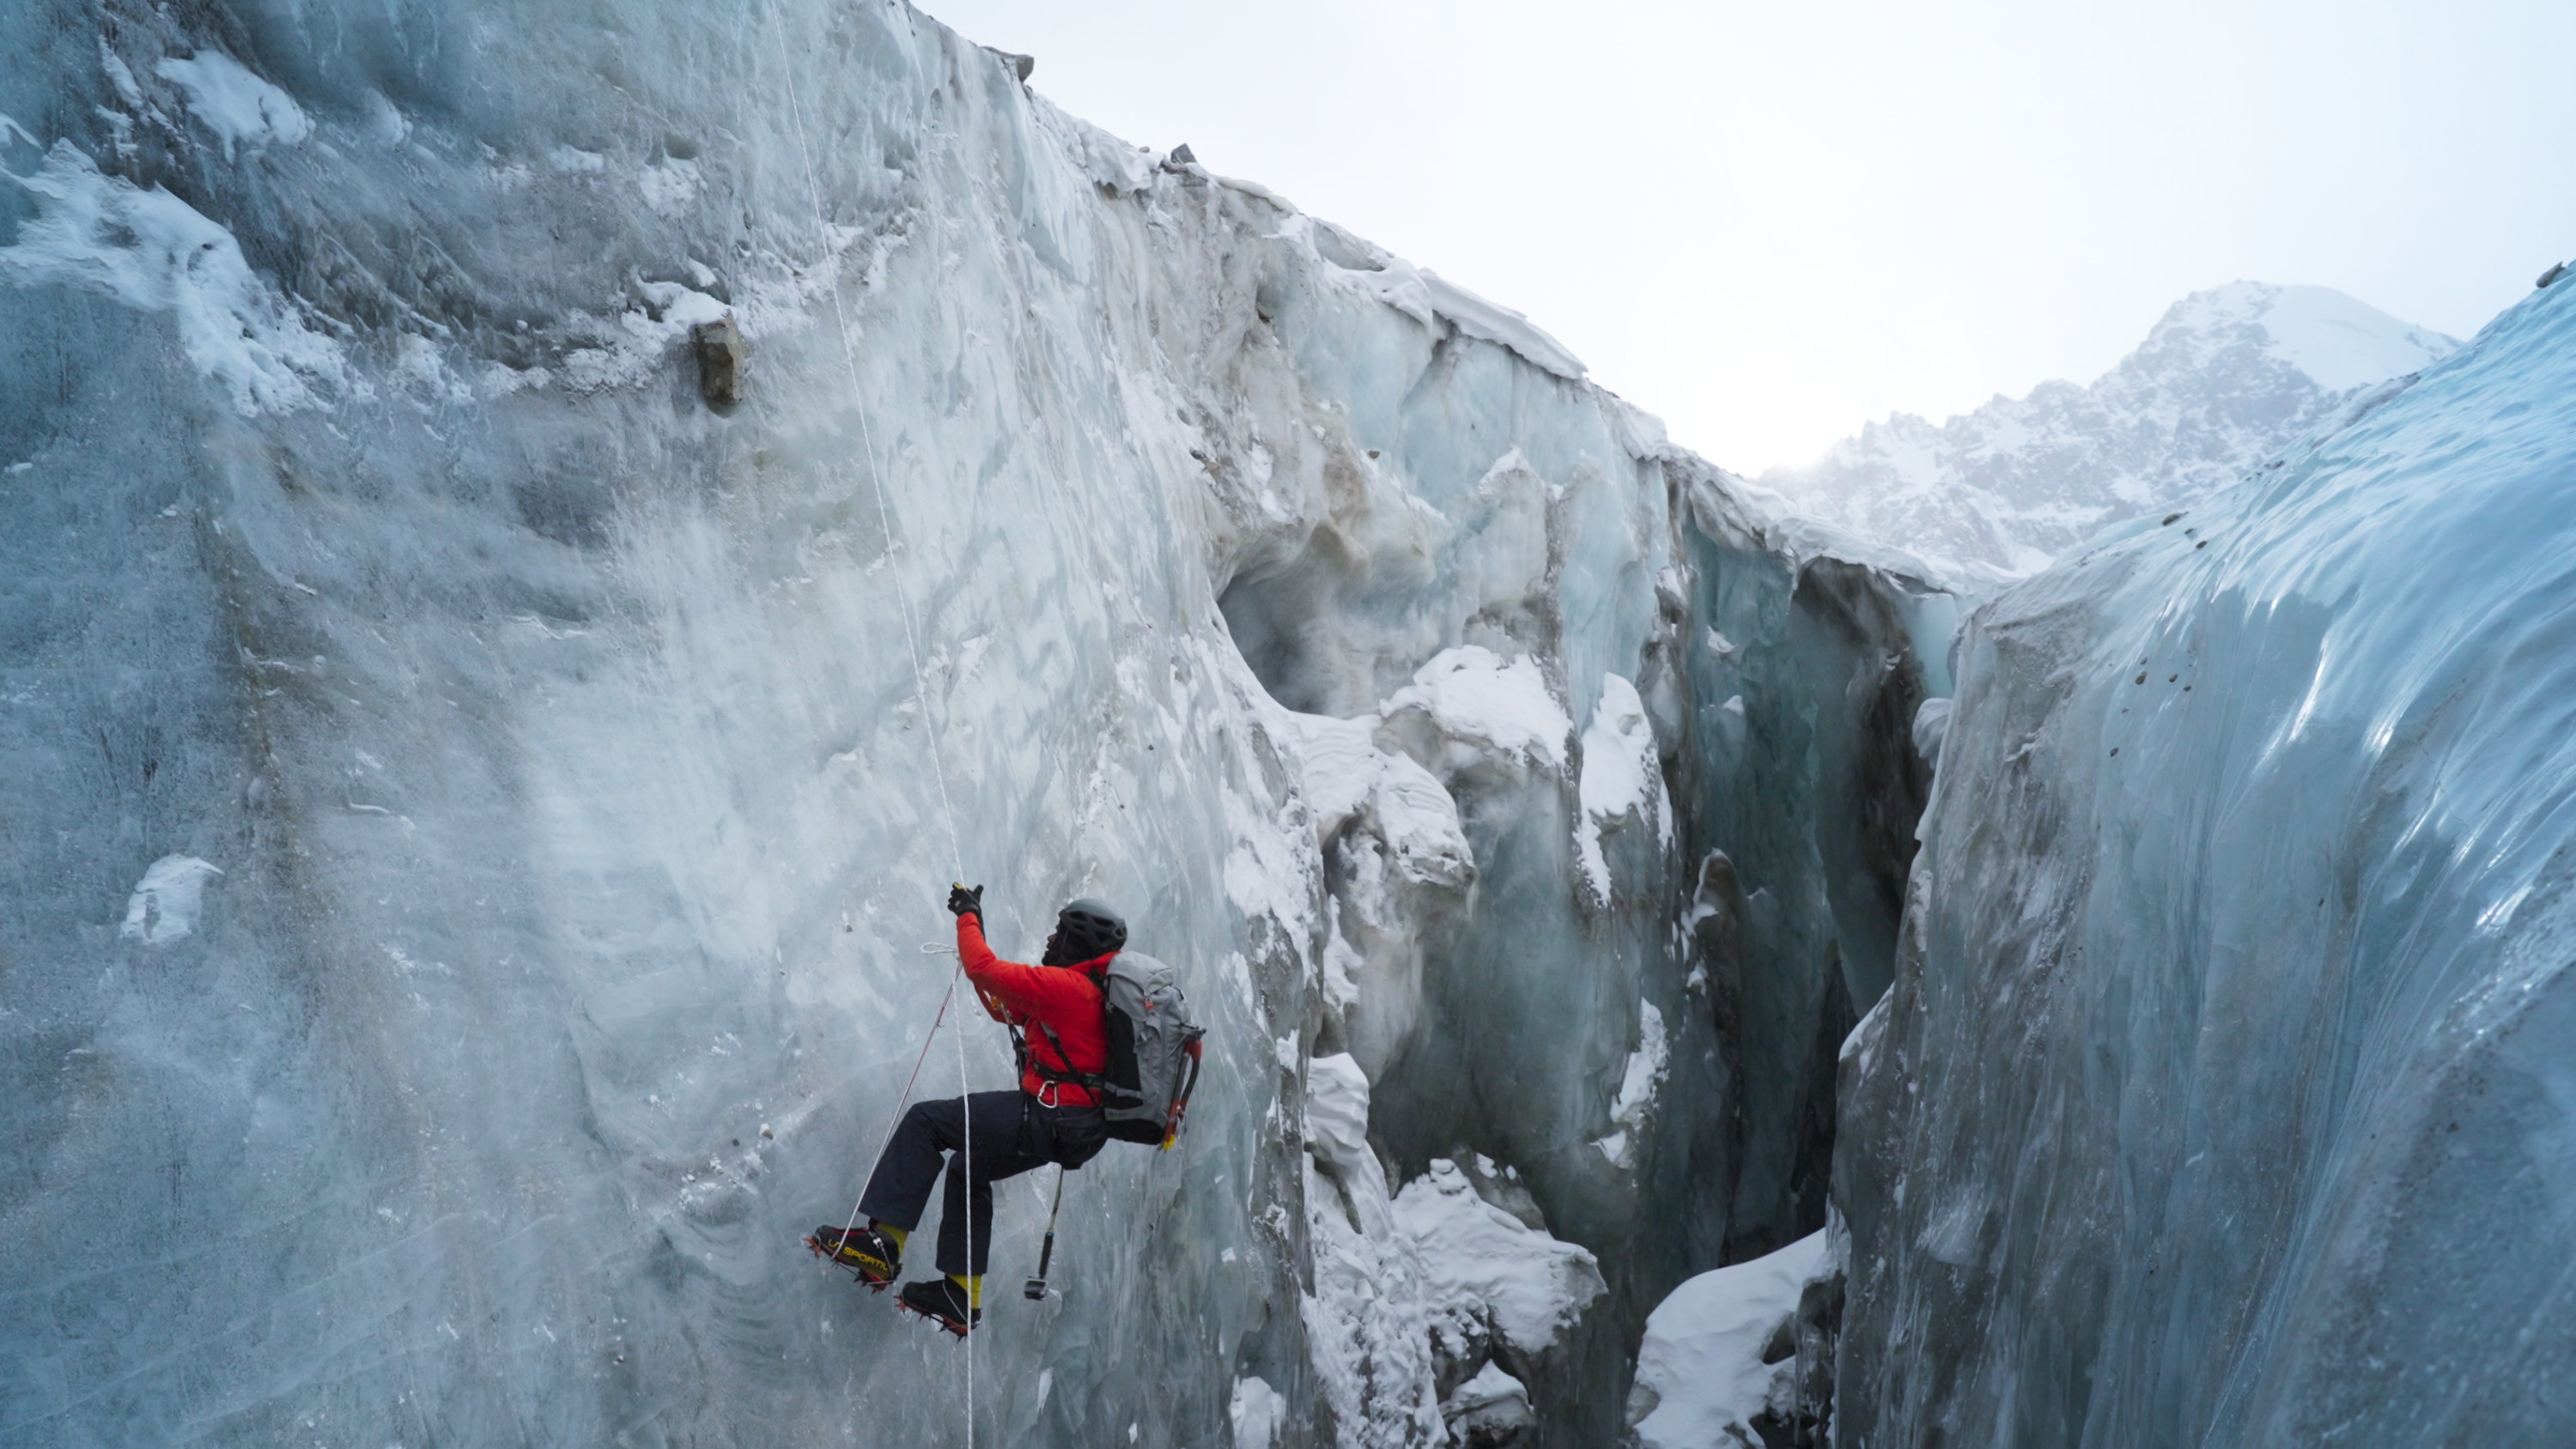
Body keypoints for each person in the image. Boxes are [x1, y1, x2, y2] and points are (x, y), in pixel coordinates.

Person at [811, 888, 1123, 1336]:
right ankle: (961, 1293)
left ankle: (883, 1246)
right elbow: (1007, 1006)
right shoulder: (1089, 995)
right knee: (969, 1167)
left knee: (927, 1122)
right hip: (1076, 1129)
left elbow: (985, 969)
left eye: (1060, 932)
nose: (1051, 938)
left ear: (1076, 943)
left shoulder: (1069, 988)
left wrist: (968, 917)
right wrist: (978, 964)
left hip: (1049, 1118)